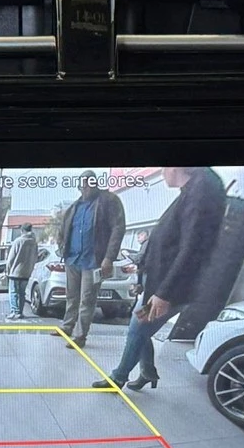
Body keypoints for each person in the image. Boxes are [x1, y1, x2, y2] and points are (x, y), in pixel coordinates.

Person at [93, 167, 227, 391]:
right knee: (141, 328)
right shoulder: (191, 192)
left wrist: (164, 293)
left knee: (138, 328)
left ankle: (119, 377)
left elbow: (191, 249)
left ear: (175, 167)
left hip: (169, 288)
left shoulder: (200, 192)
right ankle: (147, 371)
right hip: (157, 283)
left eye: (164, 168)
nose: (163, 173)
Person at [57, 170, 126, 348]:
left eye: (90, 182)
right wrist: (62, 249)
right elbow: (62, 231)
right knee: (71, 297)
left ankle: (80, 336)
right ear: (79, 187)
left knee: (87, 299)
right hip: (73, 259)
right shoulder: (74, 207)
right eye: (84, 184)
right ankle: (67, 326)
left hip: (93, 261)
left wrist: (109, 258)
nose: (87, 186)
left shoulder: (109, 201)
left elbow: (118, 229)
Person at [3, 222, 38, 319]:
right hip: (26, 273)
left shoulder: (18, 241)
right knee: (22, 293)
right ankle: (20, 312)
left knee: (13, 292)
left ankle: (15, 311)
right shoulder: (34, 243)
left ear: (22, 230)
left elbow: (11, 258)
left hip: (15, 272)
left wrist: (7, 271)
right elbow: (36, 257)